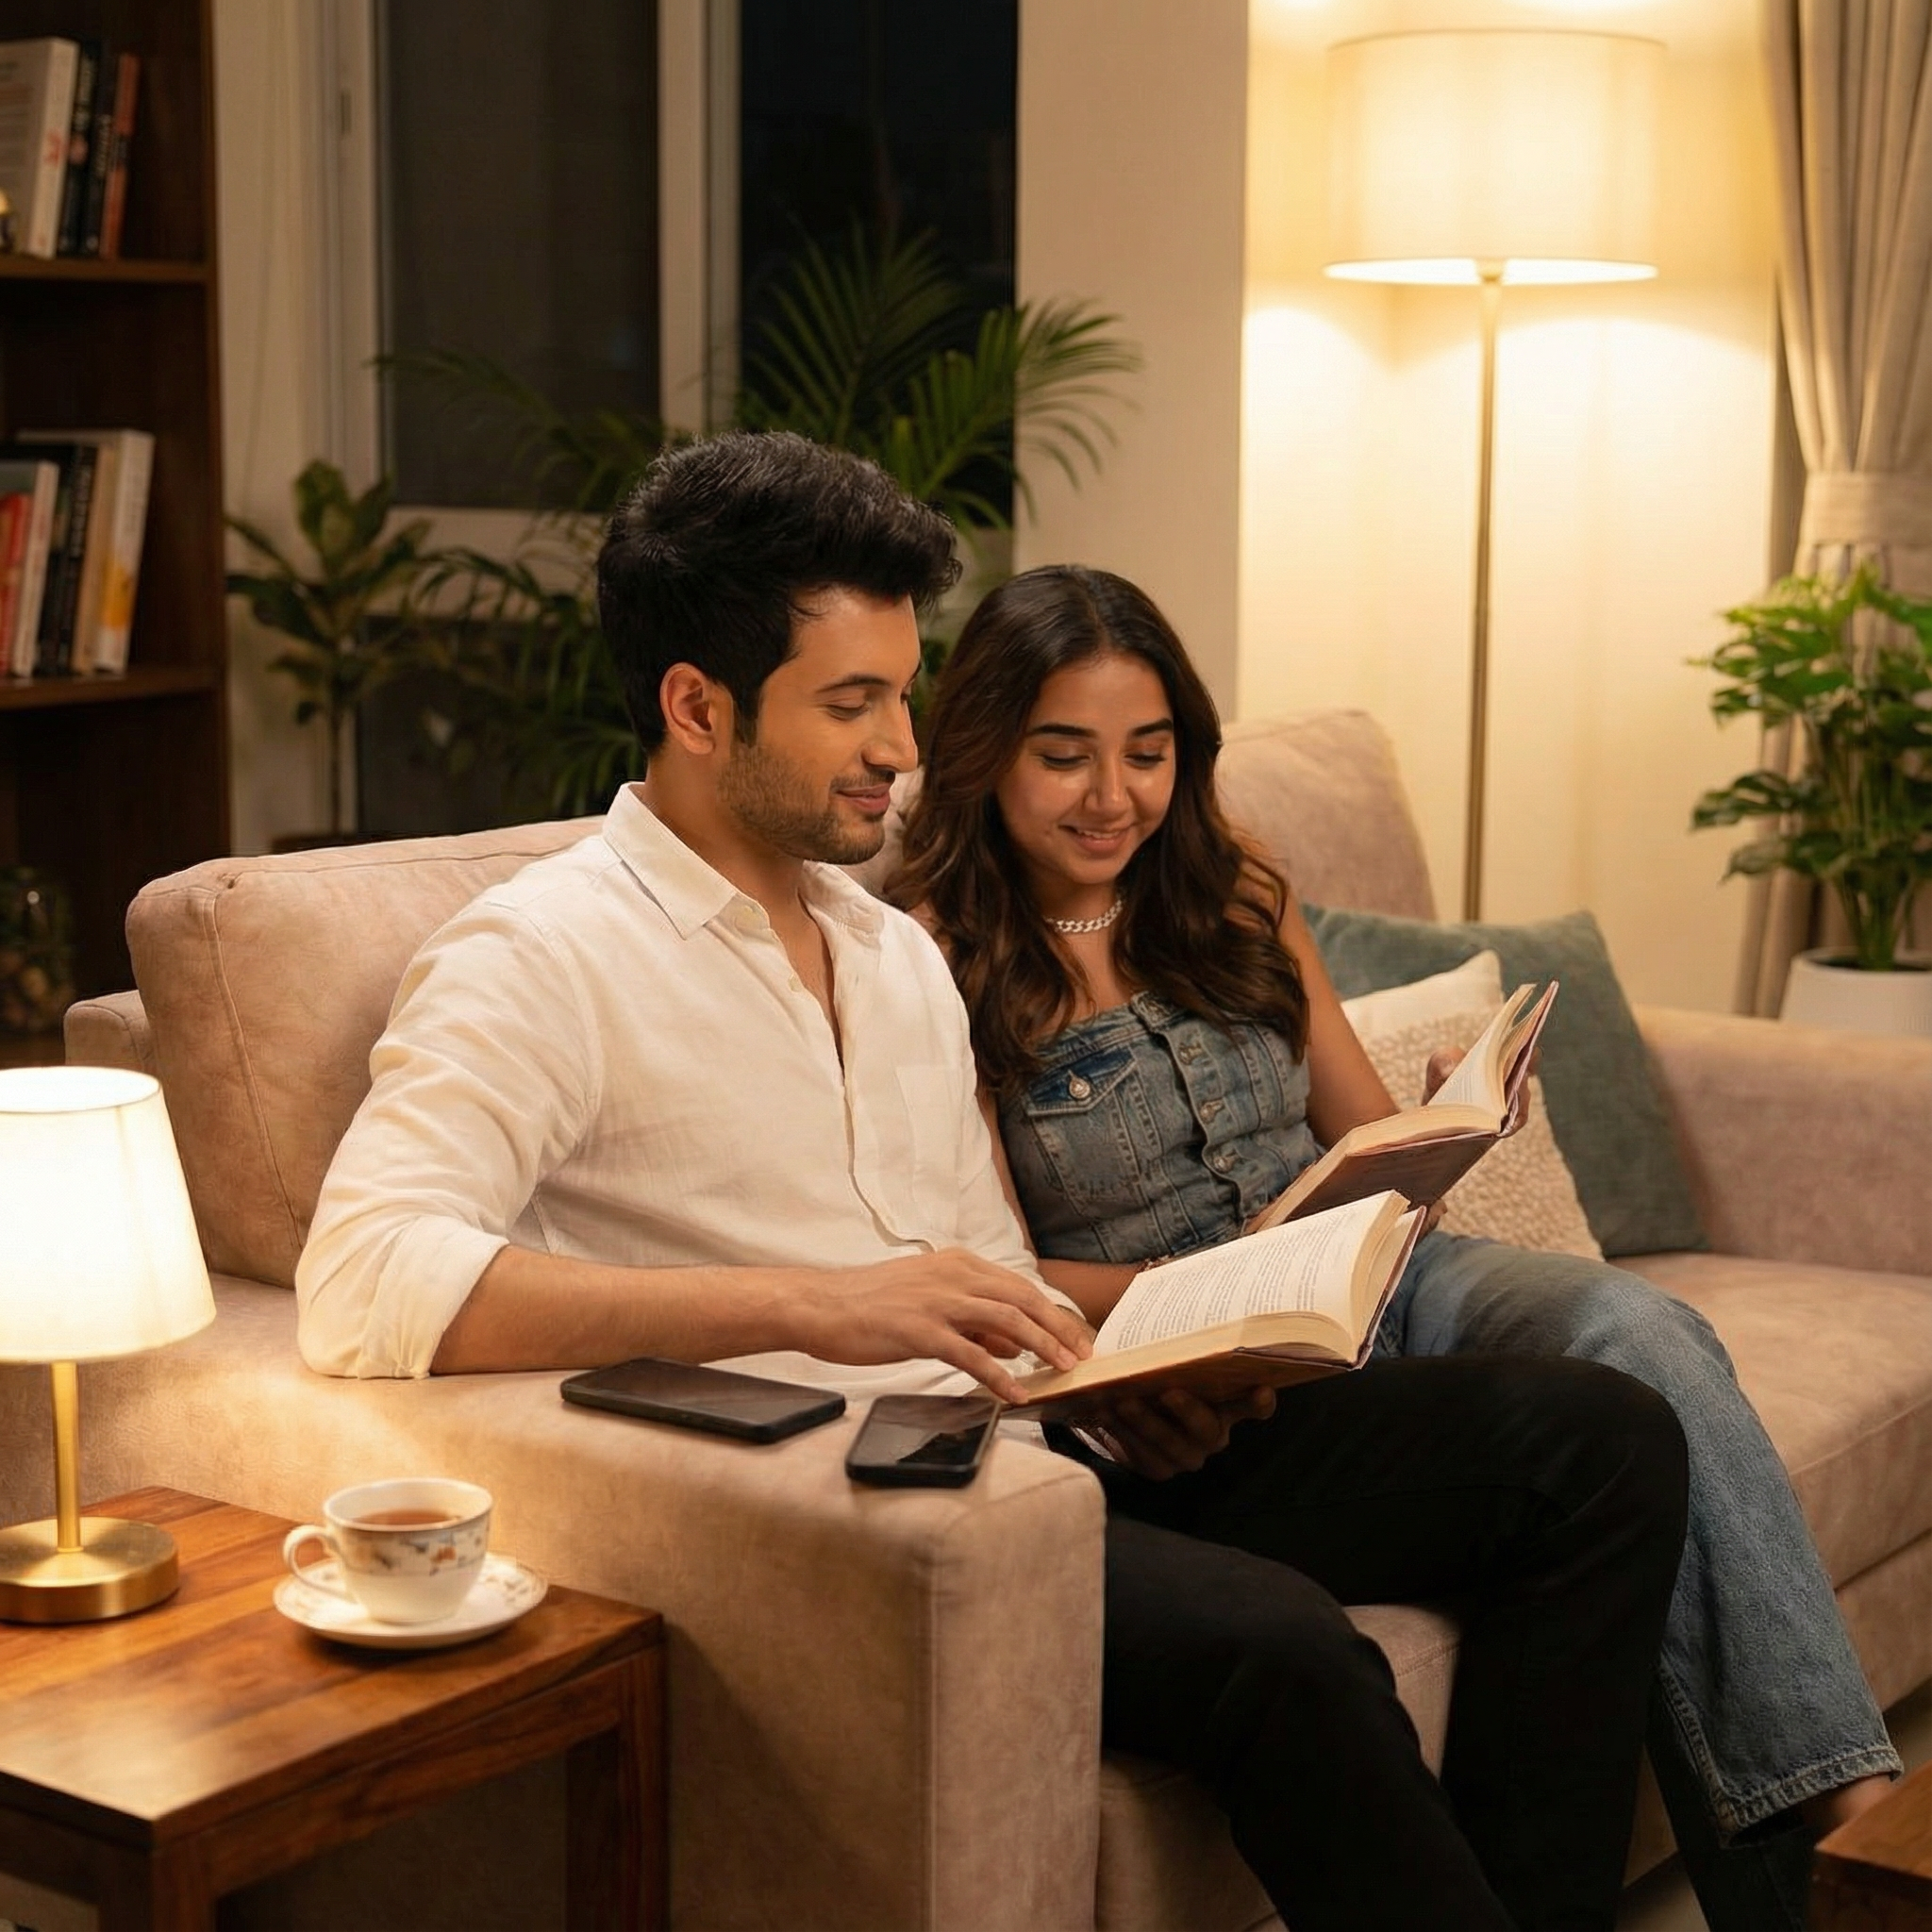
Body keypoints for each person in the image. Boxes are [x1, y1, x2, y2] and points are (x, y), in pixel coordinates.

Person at [297, 431, 1689, 1932]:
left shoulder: (887, 950)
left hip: (1043, 1437)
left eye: (901, 691)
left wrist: (1141, 1360)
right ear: (697, 707)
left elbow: (980, 1256)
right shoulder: (540, 957)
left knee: (1598, 1440)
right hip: (840, 1505)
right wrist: (812, 1305)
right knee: (1284, 1648)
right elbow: (364, 1279)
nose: (903, 745)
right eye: (853, 704)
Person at [891, 560, 1904, 1932]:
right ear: (985, 754)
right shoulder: (932, 960)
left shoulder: (1233, 889)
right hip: (1184, 1333)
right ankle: (1822, 1855)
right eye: (1063, 755)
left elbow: (1354, 1136)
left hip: (1371, 1270)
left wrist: (1441, 1128)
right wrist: (1200, 1291)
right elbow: (991, 1263)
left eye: (1149, 752)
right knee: (1595, 1435)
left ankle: (1836, 1822)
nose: (1112, 796)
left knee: (1644, 1336)